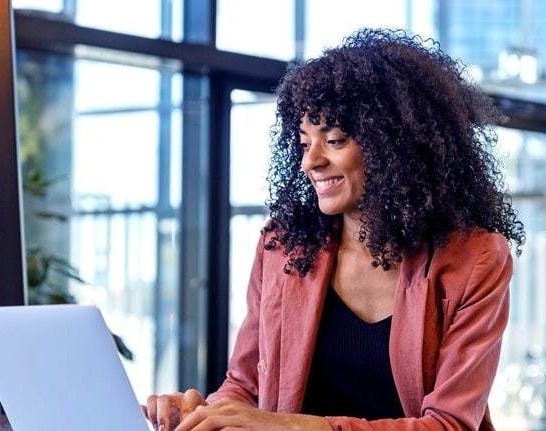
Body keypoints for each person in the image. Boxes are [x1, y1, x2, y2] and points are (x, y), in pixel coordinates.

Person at [144, 27, 525, 431]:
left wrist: (302, 427)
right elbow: (244, 388)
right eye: (305, 142)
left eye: (336, 140)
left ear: (394, 145)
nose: (311, 161)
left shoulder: (474, 259)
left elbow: (450, 424)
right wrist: (202, 413)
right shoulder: (282, 247)